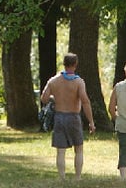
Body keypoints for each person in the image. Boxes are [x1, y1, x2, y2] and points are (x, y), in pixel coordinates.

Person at [40, 52, 96, 180]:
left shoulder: (53, 81)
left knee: (60, 151)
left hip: (59, 117)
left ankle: (62, 177)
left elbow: (44, 98)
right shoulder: (79, 82)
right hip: (74, 117)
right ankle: (77, 176)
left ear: (64, 64)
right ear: (75, 64)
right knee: (79, 149)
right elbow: (85, 101)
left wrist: (55, 98)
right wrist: (91, 121)